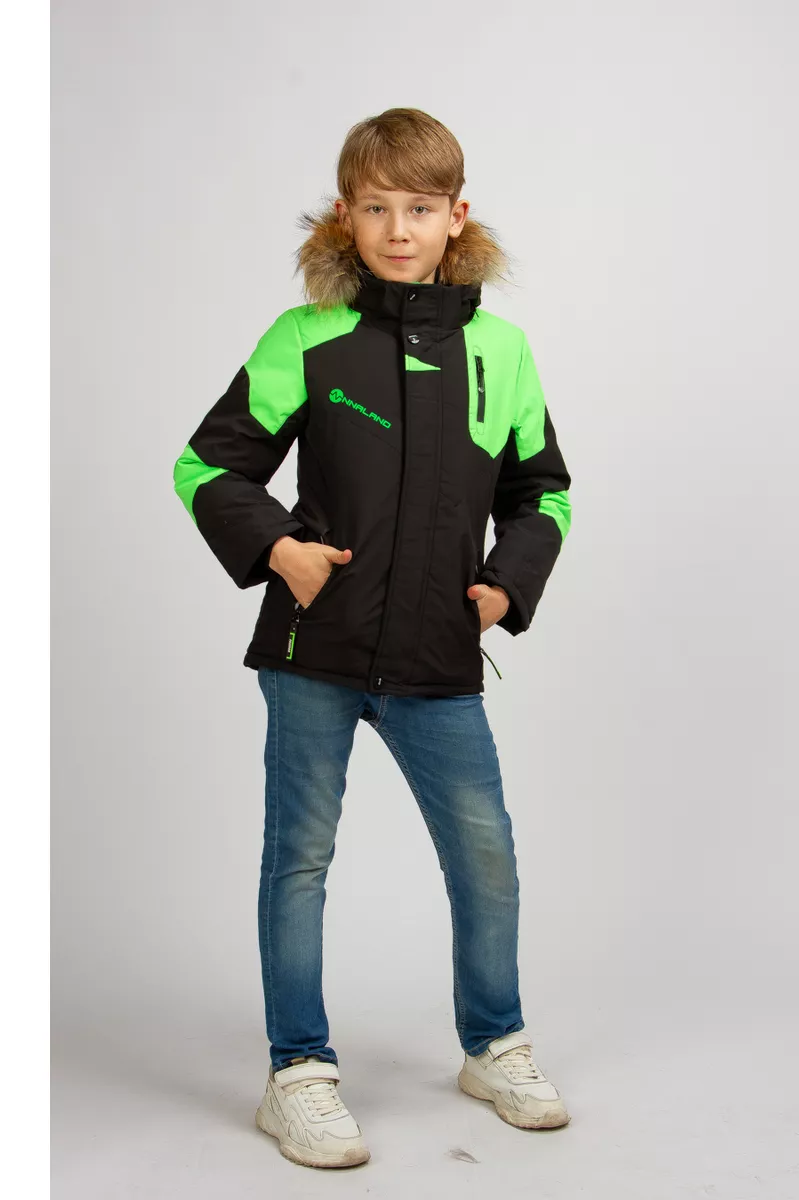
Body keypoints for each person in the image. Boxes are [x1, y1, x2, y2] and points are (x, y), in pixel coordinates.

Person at [172, 107, 573, 1170]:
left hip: (438, 658)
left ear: (457, 217)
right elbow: (207, 465)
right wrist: (280, 552)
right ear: (345, 215)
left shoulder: (500, 351)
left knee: (486, 857)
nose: (400, 229)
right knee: (298, 860)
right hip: (315, 651)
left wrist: (502, 590)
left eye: (421, 208)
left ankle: (494, 1045)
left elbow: (543, 492)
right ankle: (297, 1073)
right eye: (378, 207)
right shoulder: (306, 337)